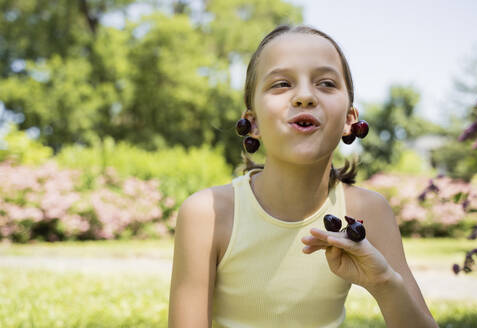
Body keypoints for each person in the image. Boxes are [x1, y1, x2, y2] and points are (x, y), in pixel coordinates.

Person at [168, 24, 439, 328]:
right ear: (252, 123)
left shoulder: (368, 212)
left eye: (325, 83)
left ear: (351, 120)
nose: (305, 96)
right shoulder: (206, 214)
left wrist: (384, 282)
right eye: (282, 84)